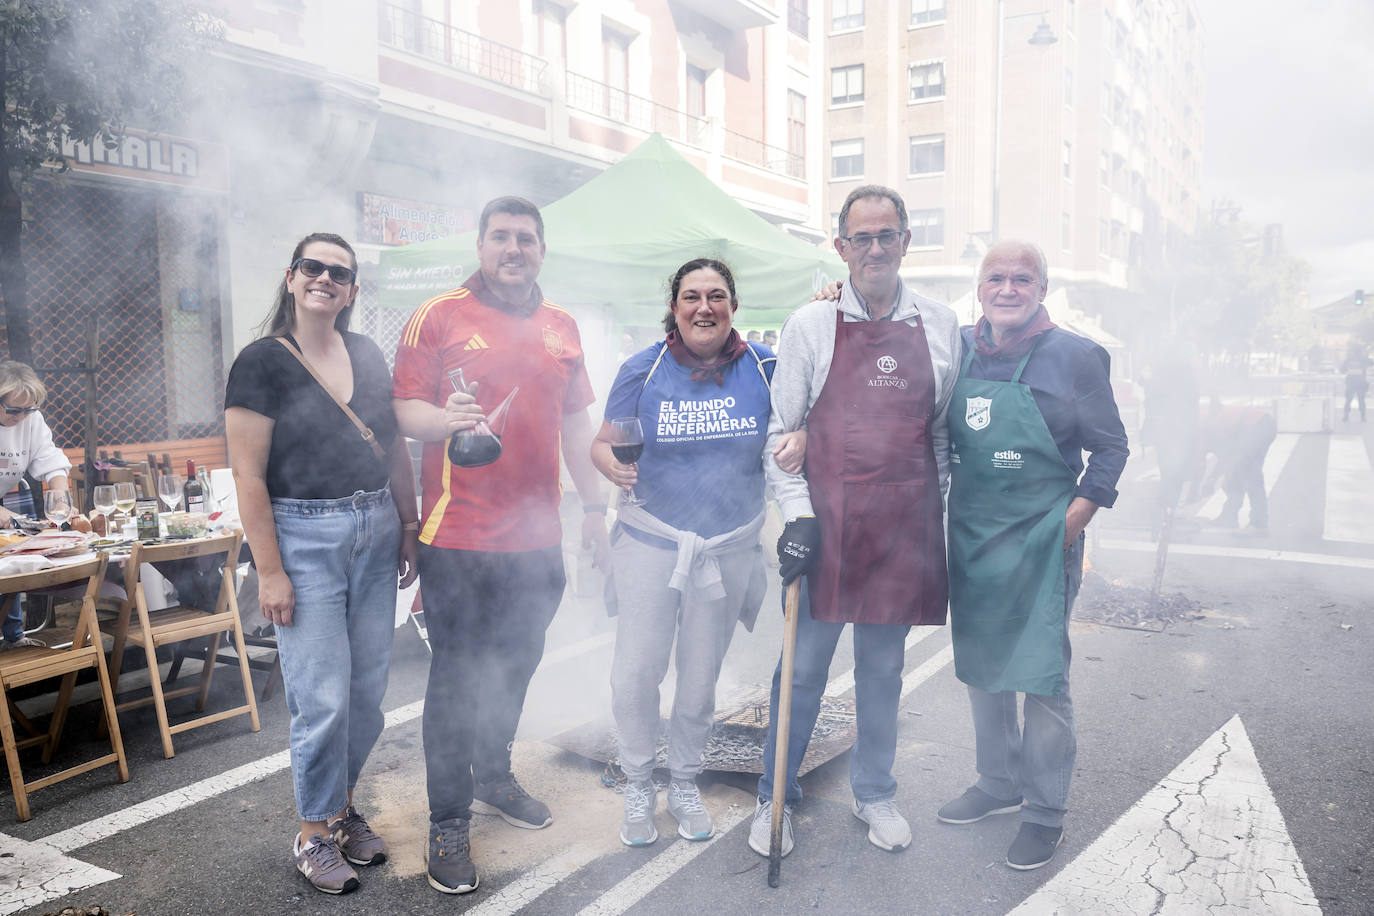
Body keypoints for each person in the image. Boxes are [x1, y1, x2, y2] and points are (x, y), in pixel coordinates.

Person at [392, 196, 610, 896]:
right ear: (481, 245)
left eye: (525, 238)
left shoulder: (562, 326)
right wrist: (442, 419)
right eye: (500, 237)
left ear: (541, 249)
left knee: (518, 666)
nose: (513, 248)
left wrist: (597, 510)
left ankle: (493, 775)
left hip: (537, 540)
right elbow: (403, 410)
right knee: (456, 682)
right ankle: (448, 821)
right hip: (457, 536)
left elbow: (578, 427)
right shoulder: (440, 314)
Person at [750, 185, 961, 858]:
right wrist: (799, 517)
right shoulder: (809, 325)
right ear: (841, 248)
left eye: (887, 235)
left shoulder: (941, 322)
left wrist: (935, 512)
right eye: (861, 238)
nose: (875, 248)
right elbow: (782, 437)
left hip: (903, 531)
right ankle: (773, 796)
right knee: (803, 672)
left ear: (906, 241)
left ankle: (875, 793)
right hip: (829, 527)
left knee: (882, 673)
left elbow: (940, 437)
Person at [225, 232, 420, 895]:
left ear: (353, 290)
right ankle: (312, 833)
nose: (325, 278)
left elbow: (392, 444)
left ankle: (340, 807)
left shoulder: (366, 351)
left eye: (340, 272)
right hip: (303, 536)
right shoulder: (260, 361)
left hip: (376, 523)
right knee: (322, 698)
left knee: (367, 695)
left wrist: (409, 522)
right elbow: (248, 478)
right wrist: (270, 571)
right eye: (313, 267)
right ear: (291, 277)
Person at [592, 258, 805, 848]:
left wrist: (805, 433)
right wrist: (602, 459)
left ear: (733, 306)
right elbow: (605, 444)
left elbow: (802, 423)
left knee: (699, 677)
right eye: (691, 296)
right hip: (652, 541)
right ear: (675, 306)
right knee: (636, 672)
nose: (704, 307)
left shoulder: (767, 369)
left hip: (729, 547)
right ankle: (638, 780)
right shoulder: (642, 368)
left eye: (716, 296)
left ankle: (683, 780)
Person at [936, 240, 1128, 871]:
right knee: (982, 666)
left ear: (1043, 289)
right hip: (973, 536)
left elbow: (1110, 449)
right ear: (979, 287)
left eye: (1024, 278)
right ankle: (998, 784)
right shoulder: (956, 346)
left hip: (1044, 537)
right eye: (997, 277)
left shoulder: (1074, 356)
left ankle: (1044, 811)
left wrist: (1072, 521)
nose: (1009, 288)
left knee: (1041, 674)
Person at [0, 360, 72, 650]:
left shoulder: (31, 419)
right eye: (14, 410)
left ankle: (14, 637)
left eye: (28, 409)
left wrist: (61, 499)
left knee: (10, 557)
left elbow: (50, 460)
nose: (22, 416)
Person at [1201, 400, 1277, 531]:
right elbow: (1226, 457)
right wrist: (1213, 479)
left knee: (1250, 474)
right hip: (1255, 425)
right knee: (1237, 473)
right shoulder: (1205, 429)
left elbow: (1227, 458)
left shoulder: (1204, 429)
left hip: (1257, 425)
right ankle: (1229, 517)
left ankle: (1259, 524)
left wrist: (1211, 480)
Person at [1342, 349, 1369, 422]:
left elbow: (1342, 369)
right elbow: (1370, 363)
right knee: (1361, 400)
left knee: (1348, 400)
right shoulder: (1363, 359)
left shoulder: (1349, 359)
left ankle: (1346, 416)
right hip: (1360, 383)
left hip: (1351, 383)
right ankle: (1363, 417)